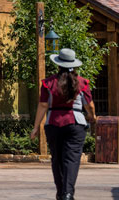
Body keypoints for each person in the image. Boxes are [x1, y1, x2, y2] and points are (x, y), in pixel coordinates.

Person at [31, 48, 97, 200]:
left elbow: (42, 106)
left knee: (57, 159)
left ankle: (60, 192)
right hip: (75, 124)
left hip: (53, 123)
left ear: (58, 65)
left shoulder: (48, 83)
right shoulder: (82, 82)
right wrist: (92, 117)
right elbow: (90, 105)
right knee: (71, 159)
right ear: (74, 65)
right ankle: (68, 193)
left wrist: (35, 127)